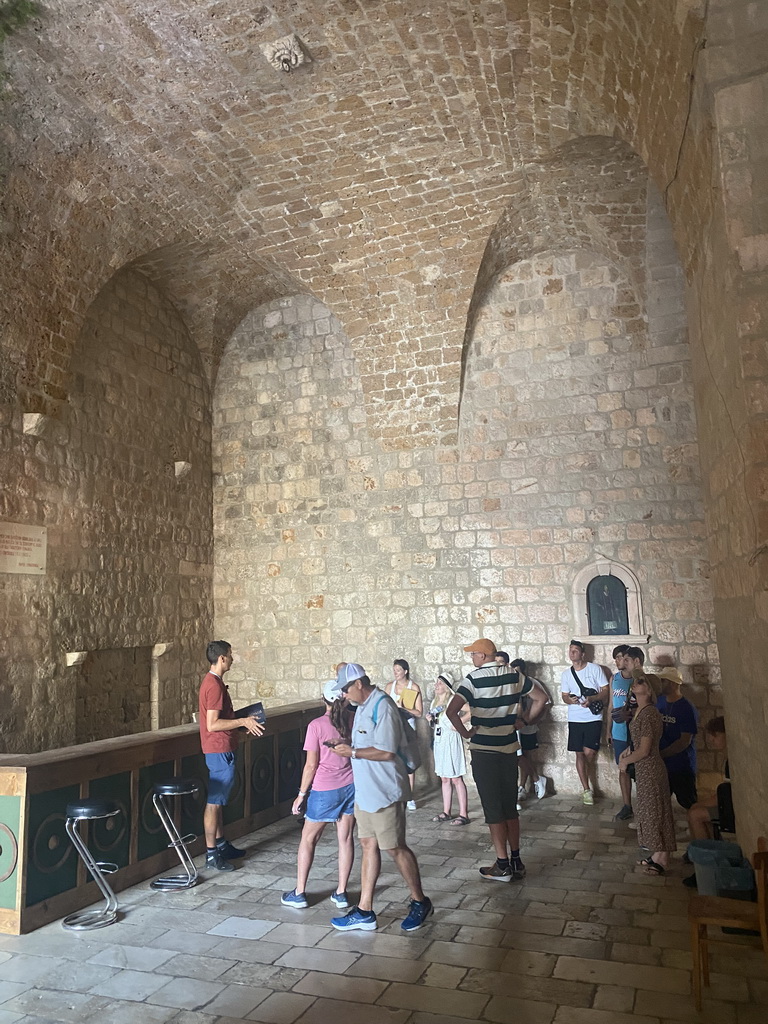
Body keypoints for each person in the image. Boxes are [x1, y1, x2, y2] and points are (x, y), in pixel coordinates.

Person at [326, 663, 433, 933]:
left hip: (385, 791)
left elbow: (386, 751)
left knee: (395, 847)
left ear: (359, 684)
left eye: (347, 689)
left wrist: (351, 753)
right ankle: (364, 910)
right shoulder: (362, 706)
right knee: (367, 844)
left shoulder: (382, 705)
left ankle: (420, 901)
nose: (345, 694)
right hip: (367, 791)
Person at [446, 638, 547, 882]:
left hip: (484, 751)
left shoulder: (472, 679)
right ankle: (516, 859)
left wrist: (467, 733)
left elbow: (451, 711)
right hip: (509, 748)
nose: (472, 658)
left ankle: (502, 865)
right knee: (509, 807)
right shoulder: (514, 676)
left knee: (493, 810)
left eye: (473, 654)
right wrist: (525, 722)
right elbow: (541, 698)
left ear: (482, 656)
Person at [281, 680, 356, 909]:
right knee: (345, 839)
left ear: (323, 699)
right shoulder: (351, 720)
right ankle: (341, 893)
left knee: (308, 839)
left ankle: (300, 892)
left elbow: (310, 766)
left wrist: (301, 795)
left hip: (325, 789)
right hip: (350, 786)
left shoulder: (316, 725)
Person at [198, 640, 265, 871]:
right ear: (222, 658)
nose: (233, 658)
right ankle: (211, 854)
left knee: (218, 801)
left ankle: (220, 844)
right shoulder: (214, 685)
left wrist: (241, 722)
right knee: (214, 803)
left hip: (221, 747)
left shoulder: (213, 682)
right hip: (218, 749)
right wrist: (243, 720)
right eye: (230, 654)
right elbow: (213, 724)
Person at [618, 672, 676, 875]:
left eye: (640, 682)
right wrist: (629, 751)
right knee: (649, 810)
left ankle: (663, 856)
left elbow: (645, 750)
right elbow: (639, 744)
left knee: (656, 811)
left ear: (649, 689)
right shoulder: (640, 711)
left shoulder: (650, 713)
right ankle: (657, 852)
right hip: (644, 770)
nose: (635, 684)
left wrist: (625, 761)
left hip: (651, 769)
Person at [560, 640, 608, 805]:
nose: (572, 653)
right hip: (575, 718)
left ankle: (586, 775)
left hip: (593, 717)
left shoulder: (595, 669)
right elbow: (564, 695)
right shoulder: (566, 674)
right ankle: (586, 789)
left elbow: (605, 690)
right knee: (578, 753)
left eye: (575, 650)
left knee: (590, 752)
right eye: (570, 650)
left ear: (583, 653)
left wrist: (592, 698)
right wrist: (570, 700)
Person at [427, 673, 470, 825]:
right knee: (444, 778)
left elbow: (472, 710)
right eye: (436, 683)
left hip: (451, 739)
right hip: (440, 740)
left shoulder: (453, 700)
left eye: (439, 683)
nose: (436, 686)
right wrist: (431, 720)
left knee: (456, 778)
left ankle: (463, 814)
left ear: (446, 686)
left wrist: (458, 723)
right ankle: (447, 811)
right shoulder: (434, 702)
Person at [508, 655, 550, 802]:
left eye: (518, 671)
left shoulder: (531, 683)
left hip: (528, 726)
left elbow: (544, 704)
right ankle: (528, 783)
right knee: (519, 756)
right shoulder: (510, 685)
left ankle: (523, 785)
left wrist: (533, 720)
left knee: (525, 755)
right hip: (515, 725)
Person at [656, 667, 699, 809]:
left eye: (663, 681)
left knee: (689, 803)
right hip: (663, 765)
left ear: (673, 684)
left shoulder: (686, 708)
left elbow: (684, 741)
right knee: (659, 802)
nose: (660, 684)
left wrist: (662, 754)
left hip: (681, 766)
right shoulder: (659, 702)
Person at [387, 658, 423, 811]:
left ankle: (410, 796)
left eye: (398, 670)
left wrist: (403, 708)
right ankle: (395, 793)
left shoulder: (413, 687)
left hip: (408, 726)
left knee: (409, 761)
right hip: (393, 727)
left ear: (405, 671)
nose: (396, 673)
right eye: (394, 670)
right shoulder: (389, 687)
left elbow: (419, 712)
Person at [686, 716, 729, 842]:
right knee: (693, 810)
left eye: (715, 735)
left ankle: (705, 851)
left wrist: (699, 804)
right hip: (726, 804)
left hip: (729, 808)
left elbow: (724, 795)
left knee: (695, 814)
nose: (710, 739)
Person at [610, 644, 634, 820]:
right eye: (616, 658)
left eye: (621, 657)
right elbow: (611, 706)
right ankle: (627, 805)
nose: (619, 661)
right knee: (622, 768)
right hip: (618, 731)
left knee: (639, 769)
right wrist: (608, 730)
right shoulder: (614, 679)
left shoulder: (638, 680)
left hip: (635, 730)